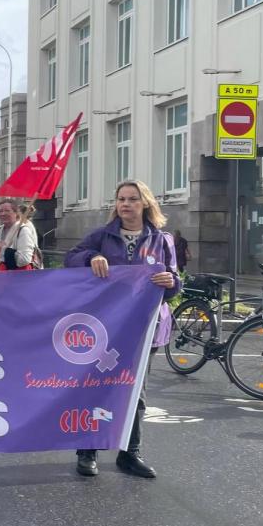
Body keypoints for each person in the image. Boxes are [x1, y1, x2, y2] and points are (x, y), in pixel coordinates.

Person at [65, 179, 181, 479]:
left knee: (136, 393)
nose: (125, 204)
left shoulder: (162, 240)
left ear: (145, 203)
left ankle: (130, 454)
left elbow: (173, 284)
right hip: (106, 329)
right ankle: (87, 451)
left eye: (132, 199)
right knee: (96, 388)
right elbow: (71, 258)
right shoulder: (102, 236)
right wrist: (92, 257)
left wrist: (172, 282)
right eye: (120, 199)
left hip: (145, 330)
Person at [0, 199, 39, 271]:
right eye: (0, 211)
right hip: (0, 276)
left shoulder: (23, 230)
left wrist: (4, 250)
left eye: (7, 211)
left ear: (16, 213)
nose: (3, 214)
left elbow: (25, 259)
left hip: (18, 278)